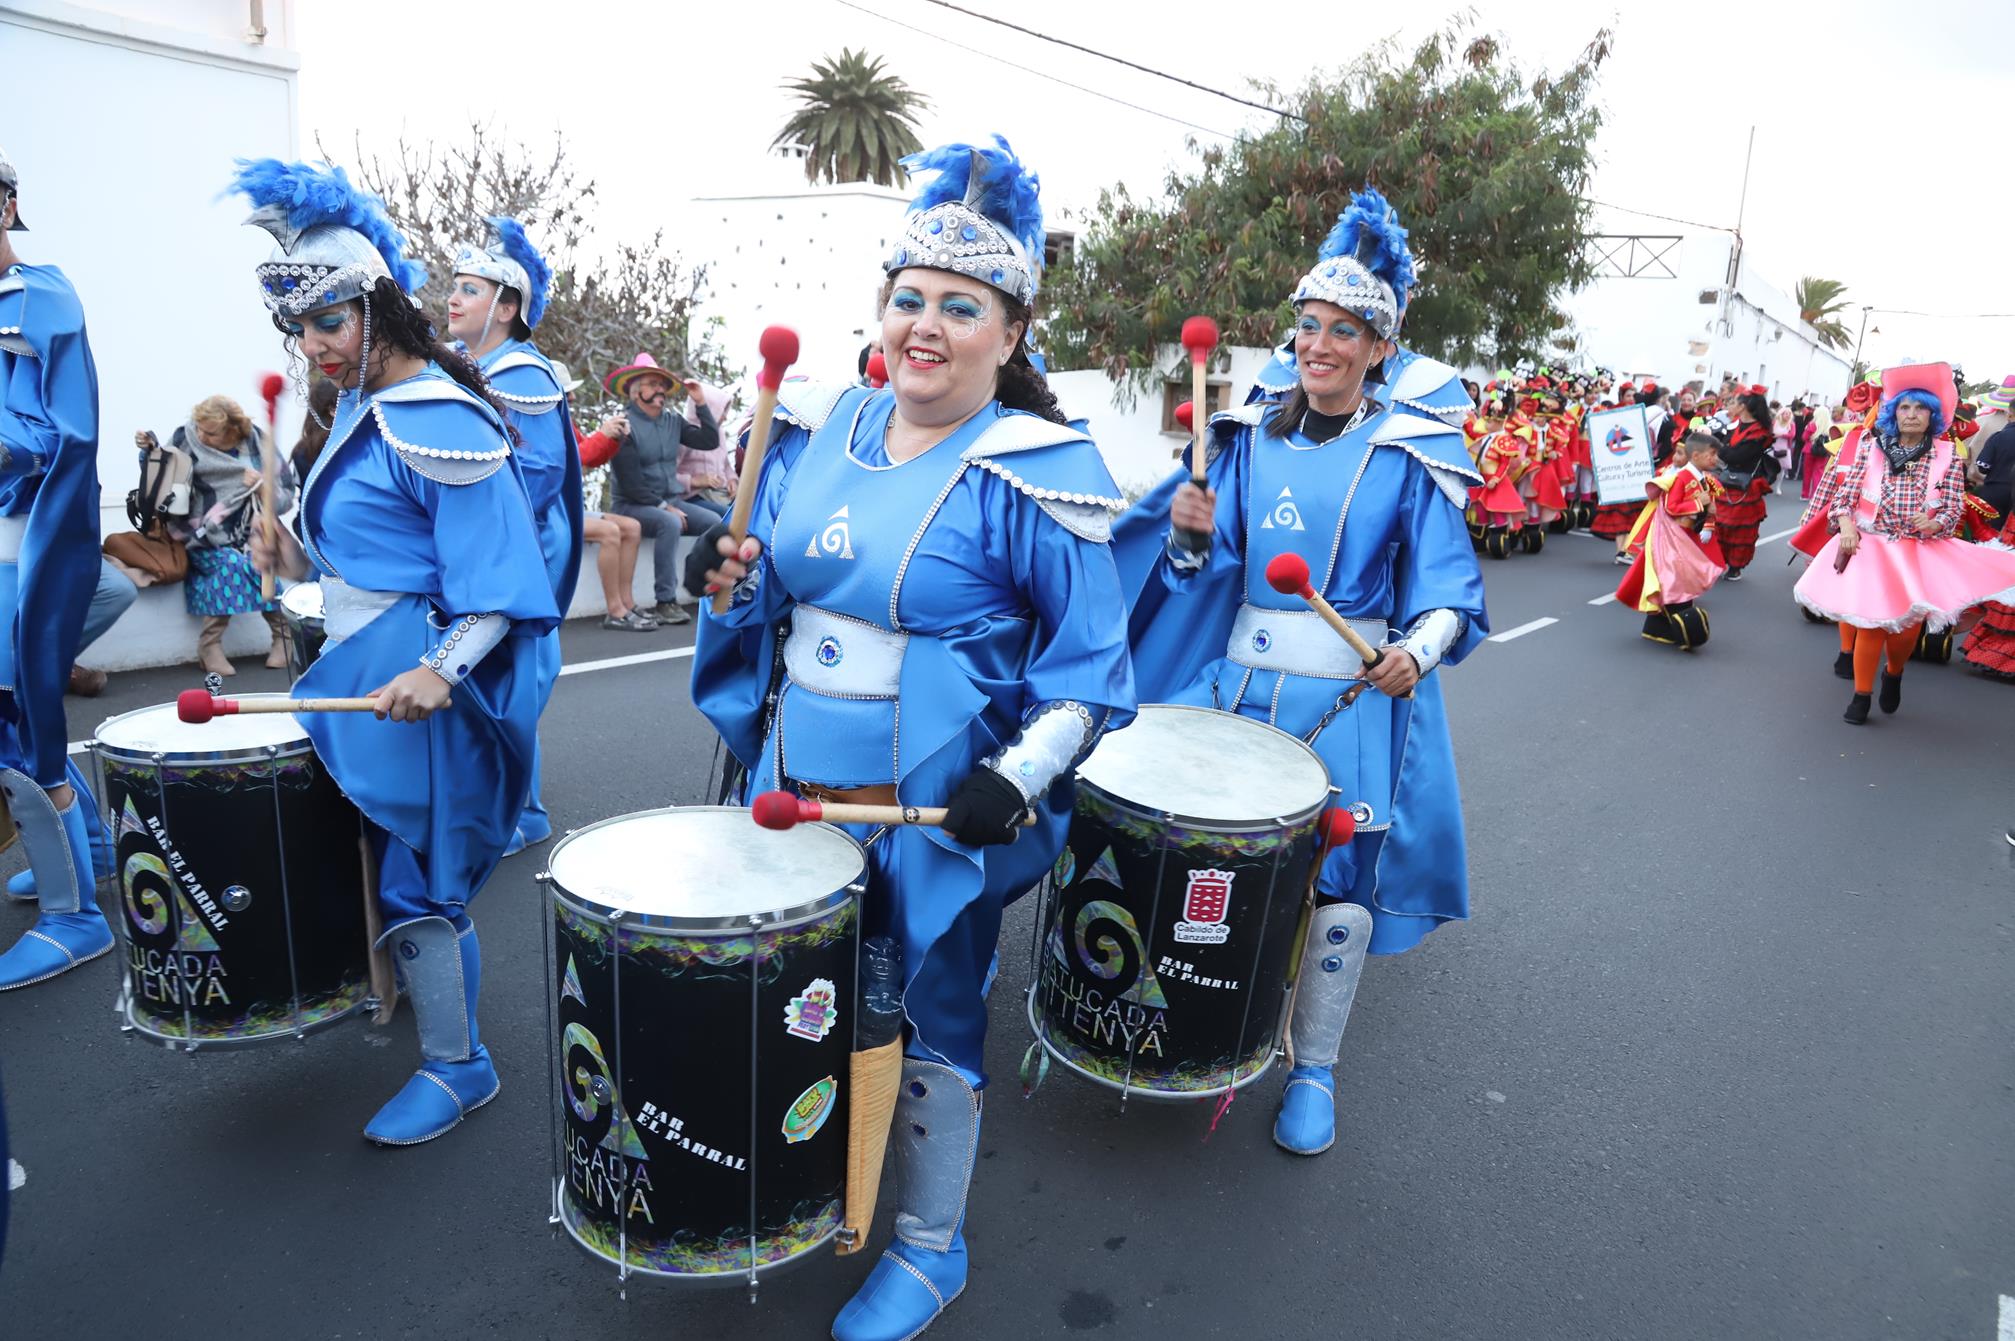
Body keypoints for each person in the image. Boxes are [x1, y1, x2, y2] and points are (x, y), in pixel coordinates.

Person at [688, 138, 1135, 1341]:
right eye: (907, 298)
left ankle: (930, 1248)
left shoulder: (1037, 472)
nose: (923, 325)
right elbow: (775, 590)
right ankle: (801, 1179)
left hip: (928, 804)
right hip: (794, 781)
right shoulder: (831, 424)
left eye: (958, 305)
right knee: (798, 998)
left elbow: (1092, 680)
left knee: (929, 1014)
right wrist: (725, 581)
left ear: (1009, 332)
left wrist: (1015, 775)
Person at [1115, 188, 1487, 1159]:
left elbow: (1447, 589)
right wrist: (1189, 542)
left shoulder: (1407, 452)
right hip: (1235, 687)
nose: (1317, 343)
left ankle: (1311, 1065)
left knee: (1338, 884)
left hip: (1345, 695)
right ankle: (1194, 1022)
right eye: (1306, 325)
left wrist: (1416, 649)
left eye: (1342, 331)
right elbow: (1202, 574)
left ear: (1376, 348)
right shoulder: (1243, 440)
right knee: (1205, 865)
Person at [230, 158, 560, 1143]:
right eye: (303, 328)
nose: (318, 345)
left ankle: (462, 1067)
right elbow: (366, 551)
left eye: (332, 321)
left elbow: (496, 587)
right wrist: (288, 547)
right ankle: (428, 1020)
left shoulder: (434, 417)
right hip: (361, 664)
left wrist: (439, 670)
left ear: (378, 308)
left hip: (414, 672)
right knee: (386, 866)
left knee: (419, 876)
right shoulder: (365, 410)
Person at [0, 146, 116, 990]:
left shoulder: (38, 297)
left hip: (27, 549)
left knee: (18, 727)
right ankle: (89, 848)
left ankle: (74, 915)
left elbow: (58, 434)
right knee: (20, 720)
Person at [444, 218, 585, 856]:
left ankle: (521, 814)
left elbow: (540, 471)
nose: (453, 298)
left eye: (469, 289)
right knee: (497, 677)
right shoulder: (478, 364)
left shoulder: (522, 370)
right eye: (455, 286)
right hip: (502, 543)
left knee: (515, 676)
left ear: (505, 308)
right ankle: (508, 805)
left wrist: (484, 542)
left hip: (521, 544)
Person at [1792, 362, 2015, 724]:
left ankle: (1893, 673)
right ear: (1894, 413)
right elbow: (1843, 497)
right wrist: (1846, 525)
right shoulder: (1870, 447)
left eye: (1920, 408)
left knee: (1905, 629)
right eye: (1905, 408)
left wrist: (1935, 521)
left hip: (1916, 552)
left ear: (1933, 414)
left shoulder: (1946, 455)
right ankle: (1861, 696)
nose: (1912, 415)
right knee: (1870, 623)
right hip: (1871, 548)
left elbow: (1954, 506)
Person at [155, 394, 297, 676]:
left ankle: (283, 638)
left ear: (233, 431)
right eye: (199, 427)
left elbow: (285, 500)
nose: (201, 436)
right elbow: (162, 479)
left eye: (210, 432)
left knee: (258, 564)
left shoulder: (258, 443)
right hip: (200, 535)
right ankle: (210, 645)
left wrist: (260, 486)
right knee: (230, 564)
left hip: (252, 535)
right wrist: (148, 452)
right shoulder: (185, 438)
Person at [575, 353, 722, 626]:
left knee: (715, 523)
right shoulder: (624, 426)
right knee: (669, 523)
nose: (660, 390)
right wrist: (663, 507)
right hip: (634, 505)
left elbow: (709, 440)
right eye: (652, 384)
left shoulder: (673, 421)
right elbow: (632, 485)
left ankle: (710, 590)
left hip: (671, 500)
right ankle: (666, 600)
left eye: (662, 385)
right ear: (634, 391)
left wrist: (700, 403)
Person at [1617, 432, 1726, 649]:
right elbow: (1672, 506)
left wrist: (1707, 512)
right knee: (1677, 580)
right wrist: (1699, 504)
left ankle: (1656, 627)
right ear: (1696, 455)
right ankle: (1679, 624)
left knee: (1679, 580)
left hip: (1685, 537)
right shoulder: (1682, 478)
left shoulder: (1701, 478)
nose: (1715, 459)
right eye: (1712, 455)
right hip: (1671, 539)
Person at [1712, 387, 1776, 579]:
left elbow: (1736, 456)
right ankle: (1718, 562)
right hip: (1726, 482)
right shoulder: (1734, 425)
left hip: (1745, 486)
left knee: (1740, 531)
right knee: (1719, 526)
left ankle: (1734, 566)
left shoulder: (1759, 433)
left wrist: (1718, 448)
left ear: (1746, 407)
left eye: (1738, 402)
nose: (1734, 405)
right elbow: (1726, 451)